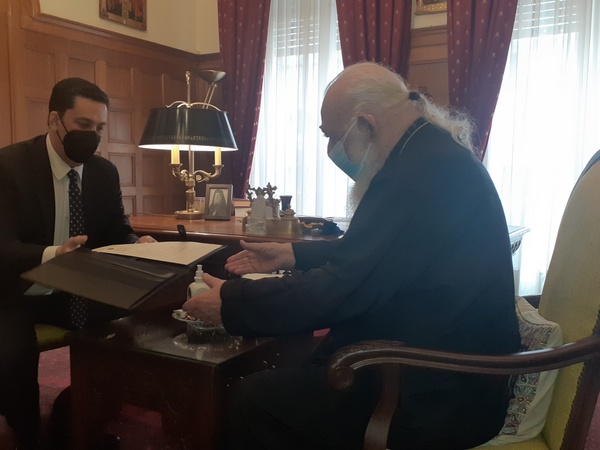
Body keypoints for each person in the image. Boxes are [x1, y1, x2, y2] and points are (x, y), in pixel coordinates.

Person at [182, 62, 521, 449]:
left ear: (365, 124)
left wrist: (229, 303)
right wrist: (292, 255)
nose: (331, 150)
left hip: (430, 393)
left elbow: (340, 289)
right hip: (450, 375)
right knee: (294, 373)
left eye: (332, 136)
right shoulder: (429, 155)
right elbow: (383, 254)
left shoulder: (415, 174)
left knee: (254, 397)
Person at [0, 77, 155, 450]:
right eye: (84, 125)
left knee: (130, 328)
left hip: (76, 289)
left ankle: (77, 413)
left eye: (99, 128)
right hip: (15, 291)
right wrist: (55, 254)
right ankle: (28, 434)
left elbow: (118, 231)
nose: (93, 136)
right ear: (55, 120)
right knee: (12, 355)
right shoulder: (8, 166)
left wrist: (139, 245)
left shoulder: (104, 173)